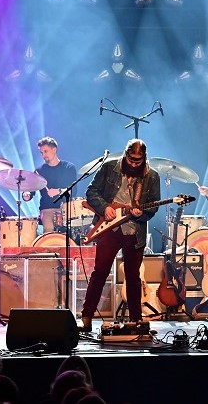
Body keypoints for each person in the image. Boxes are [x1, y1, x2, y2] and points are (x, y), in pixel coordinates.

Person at [79, 139, 161, 331]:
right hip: (110, 228)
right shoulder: (109, 168)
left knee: (133, 276)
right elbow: (91, 191)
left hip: (134, 230)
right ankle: (87, 317)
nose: (133, 164)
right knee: (100, 272)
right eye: (131, 160)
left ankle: (135, 319)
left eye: (138, 161)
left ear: (144, 158)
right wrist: (104, 207)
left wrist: (143, 214)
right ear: (125, 155)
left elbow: (153, 205)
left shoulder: (152, 176)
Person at [22, 137, 78, 233]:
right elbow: (31, 190)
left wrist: (58, 191)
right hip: (47, 208)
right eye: (41, 153)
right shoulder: (39, 171)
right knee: (49, 232)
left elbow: (73, 191)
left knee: (71, 233)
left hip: (66, 207)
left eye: (45, 151)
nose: (43, 155)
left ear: (54, 150)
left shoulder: (68, 167)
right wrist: (27, 194)